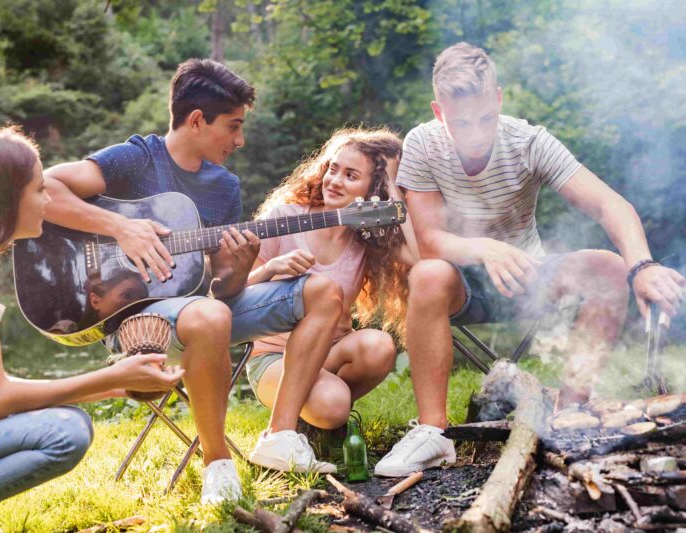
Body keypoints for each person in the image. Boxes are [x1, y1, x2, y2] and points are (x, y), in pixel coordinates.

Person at [373, 41, 686, 478]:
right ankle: (433, 432)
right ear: (439, 111)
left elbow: (607, 204)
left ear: (499, 99)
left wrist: (642, 266)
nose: (476, 132)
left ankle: (570, 414)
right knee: (427, 273)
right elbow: (430, 241)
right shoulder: (424, 143)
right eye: (461, 122)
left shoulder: (528, 141)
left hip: (530, 280)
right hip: (461, 283)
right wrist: (487, 248)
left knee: (609, 268)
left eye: (486, 117)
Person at [43, 59, 345, 504]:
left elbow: (222, 289)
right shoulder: (135, 158)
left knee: (322, 291)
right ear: (197, 120)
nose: (240, 140)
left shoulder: (224, 187)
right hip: (132, 317)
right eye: (233, 126)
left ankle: (280, 435)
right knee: (207, 316)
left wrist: (240, 266)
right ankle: (217, 465)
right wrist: (121, 228)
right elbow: (45, 190)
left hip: (202, 310)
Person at [0, 127, 184, 533]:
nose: (47, 200)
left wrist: (118, 386)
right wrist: (111, 375)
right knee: (64, 431)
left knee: (63, 419)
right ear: (7, 196)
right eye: (39, 189)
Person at [244, 128, 418, 470]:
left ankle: (309, 425)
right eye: (333, 168)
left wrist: (395, 190)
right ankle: (295, 425)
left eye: (351, 175)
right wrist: (271, 269)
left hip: (330, 353)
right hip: (274, 357)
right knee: (335, 407)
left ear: (373, 189)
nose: (334, 180)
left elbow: (419, 255)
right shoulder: (285, 218)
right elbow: (233, 294)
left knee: (379, 346)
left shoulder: (365, 238)